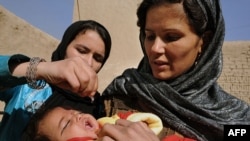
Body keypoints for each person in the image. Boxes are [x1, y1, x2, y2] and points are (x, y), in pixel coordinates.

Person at [101, 0, 250, 141]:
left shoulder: (235, 119)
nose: (155, 48)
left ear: (204, 41)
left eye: (171, 37)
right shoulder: (123, 92)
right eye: (150, 36)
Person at [0, 20, 112, 141]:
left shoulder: (99, 107)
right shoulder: (30, 85)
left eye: (97, 58)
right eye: (81, 51)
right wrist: (41, 69)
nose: (88, 63)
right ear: (64, 47)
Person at [22, 103, 164, 141]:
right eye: (66, 124)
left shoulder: (108, 122)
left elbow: (129, 119)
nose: (77, 117)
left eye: (77, 112)